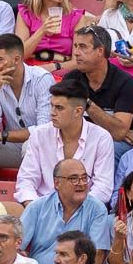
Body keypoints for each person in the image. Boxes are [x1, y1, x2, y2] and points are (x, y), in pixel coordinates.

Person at [15, 73, 115, 205]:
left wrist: (76, 209)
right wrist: (34, 207)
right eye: (52, 106)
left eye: (59, 108)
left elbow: (103, 188)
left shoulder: (101, 138)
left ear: (78, 111)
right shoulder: (39, 134)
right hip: (43, 208)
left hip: (85, 210)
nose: (52, 112)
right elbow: (26, 180)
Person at [0, 33, 52, 182]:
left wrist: (2, 136)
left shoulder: (42, 79)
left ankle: (31, 199)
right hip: (15, 147)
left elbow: (43, 131)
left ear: (17, 59)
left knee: (30, 145)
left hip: (46, 148)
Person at [20, 159, 112, 264]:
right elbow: (16, 245)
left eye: (84, 178)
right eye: (74, 179)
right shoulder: (37, 207)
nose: (82, 183)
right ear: (57, 183)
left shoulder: (97, 209)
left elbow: (97, 254)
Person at [67, 25, 133, 157]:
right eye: (75, 46)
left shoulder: (125, 82)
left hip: (111, 143)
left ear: (100, 51)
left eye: (82, 47)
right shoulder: (71, 79)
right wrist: (110, 126)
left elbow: (118, 133)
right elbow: (62, 123)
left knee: (111, 149)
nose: (76, 52)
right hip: (80, 140)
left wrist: (85, 102)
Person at [15, 0, 97, 74]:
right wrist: (42, 31)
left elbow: (78, 61)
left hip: (62, 72)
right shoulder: (26, 13)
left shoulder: (75, 17)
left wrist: (53, 67)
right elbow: (19, 55)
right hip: (30, 72)